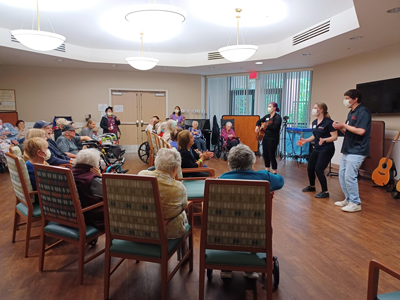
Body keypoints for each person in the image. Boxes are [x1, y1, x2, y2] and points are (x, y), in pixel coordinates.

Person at [219, 143, 284, 279]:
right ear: (252, 162)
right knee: (252, 226)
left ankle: (226, 266)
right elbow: (280, 181)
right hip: (256, 230)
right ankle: (250, 268)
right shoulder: (263, 177)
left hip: (226, 229)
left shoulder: (222, 178)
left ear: (230, 163)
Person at [332, 89, 371, 213]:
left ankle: (355, 202)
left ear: (355, 99)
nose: (345, 100)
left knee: (350, 176)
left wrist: (343, 125)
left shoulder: (363, 111)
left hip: (358, 149)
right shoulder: (351, 112)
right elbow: (350, 130)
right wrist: (341, 128)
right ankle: (348, 199)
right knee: (342, 175)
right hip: (348, 148)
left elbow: (361, 131)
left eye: (347, 98)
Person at [139, 148, 189, 239]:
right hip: (166, 233)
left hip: (141, 228)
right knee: (182, 213)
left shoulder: (142, 175)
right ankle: (184, 251)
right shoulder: (178, 187)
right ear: (175, 168)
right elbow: (185, 206)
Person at [297, 103, 338, 198]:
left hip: (327, 149)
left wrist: (324, 140)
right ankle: (312, 186)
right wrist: (306, 140)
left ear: (321, 110)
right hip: (317, 148)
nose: (313, 109)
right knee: (310, 168)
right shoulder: (315, 122)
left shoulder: (329, 122)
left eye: (315, 108)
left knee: (319, 169)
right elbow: (315, 136)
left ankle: (325, 192)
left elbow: (335, 137)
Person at [72, 149, 104, 230]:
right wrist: (100, 176)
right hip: (90, 216)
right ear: (95, 164)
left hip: (70, 215)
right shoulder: (94, 180)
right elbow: (108, 195)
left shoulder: (69, 174)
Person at [255, 102, 282, 174]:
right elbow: (259, 121)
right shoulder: (267, 116)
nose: (268, 108)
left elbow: (275, 127)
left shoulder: (277, 117)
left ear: (274, 108)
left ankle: (274, 171)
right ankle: (267, 169)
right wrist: (257, 126)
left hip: (273, 139)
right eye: (268, 106)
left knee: (271, 155)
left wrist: (266, 126)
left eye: (270, 106)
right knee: (265, 154)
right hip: (266, 138)